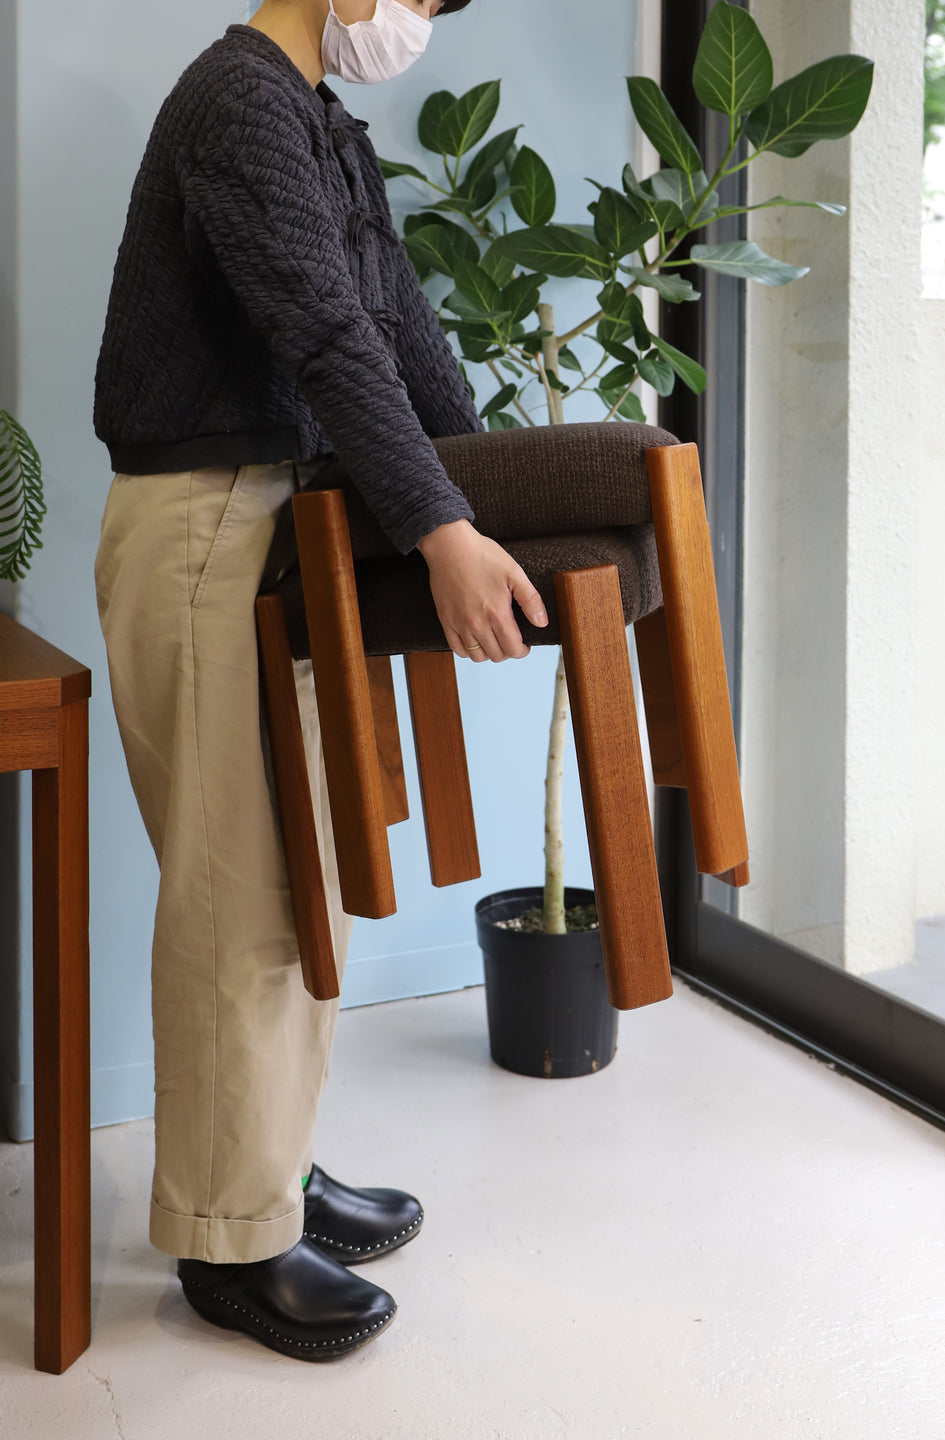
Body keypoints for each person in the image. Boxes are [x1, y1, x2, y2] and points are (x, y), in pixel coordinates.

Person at [93, 0, 548, 1362]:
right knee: (240, 894)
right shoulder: (238, 102)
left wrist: (481, 491)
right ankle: (227, 1247)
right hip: (207, 527)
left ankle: (273, 1172)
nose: (414, 21)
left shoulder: (320, 124)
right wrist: (442, 529)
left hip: (277, 527)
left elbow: (397, 328)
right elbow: (322, 337)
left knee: (292, 873)